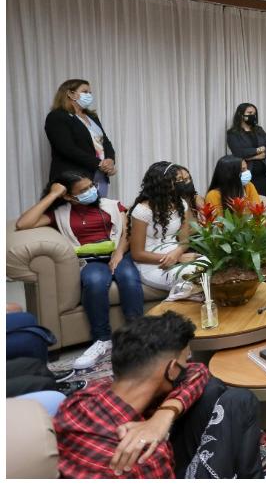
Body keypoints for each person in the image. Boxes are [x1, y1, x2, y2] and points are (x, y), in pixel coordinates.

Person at [54, 311, 263, 478]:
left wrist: (164, 414)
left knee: (210, 388)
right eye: (184, 361)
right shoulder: (149, 455)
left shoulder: (79, 400)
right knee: (241, 401)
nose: (188, 365)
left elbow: (198, 371)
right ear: (171, 369)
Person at [15, 172, 144, 370]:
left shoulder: (112, 205)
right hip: (90, 261)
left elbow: (128, 232)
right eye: (83, 190)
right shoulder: (60, 213)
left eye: (91, 186)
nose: (92, 191)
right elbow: (23, 224)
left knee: (128, 276)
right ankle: (102, 340)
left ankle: (137, 335)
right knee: (94, 282)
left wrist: (119, 254)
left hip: (119, 254)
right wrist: (53, 194)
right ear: (68, 196)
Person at [128, 162, 201, 291]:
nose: (182, 184)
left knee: (210, 265)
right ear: (162, 184)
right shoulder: (142, 211)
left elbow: (184, 241)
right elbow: (137, 254)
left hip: (176, 257)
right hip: (152, 265)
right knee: (195, 274)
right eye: (177, 180)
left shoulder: (181, 204)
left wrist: (178, 254)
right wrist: (177, 258)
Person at [45, 79, 117, 198]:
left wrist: (110, 160)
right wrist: (99, 163)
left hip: (99, 175)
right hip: (74, 178)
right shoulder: (57, 116)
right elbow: (66, 148)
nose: (89, 95)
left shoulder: (92, 116)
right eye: (85, 92)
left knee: (99, 209)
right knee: (78, 210)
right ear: (70, 94)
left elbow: (105, 141)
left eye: (90, 92)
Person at [226, 103, 266, 197]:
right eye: (250, 113)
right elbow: (239, 152)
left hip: (262, 174)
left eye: (254, 113)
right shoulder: (233, 133)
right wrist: (258, 150)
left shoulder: (259, 130)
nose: (253, 115)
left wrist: (253, 157)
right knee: (247, 201)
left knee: (261, 201)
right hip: (244, 174)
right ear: (240, 114)